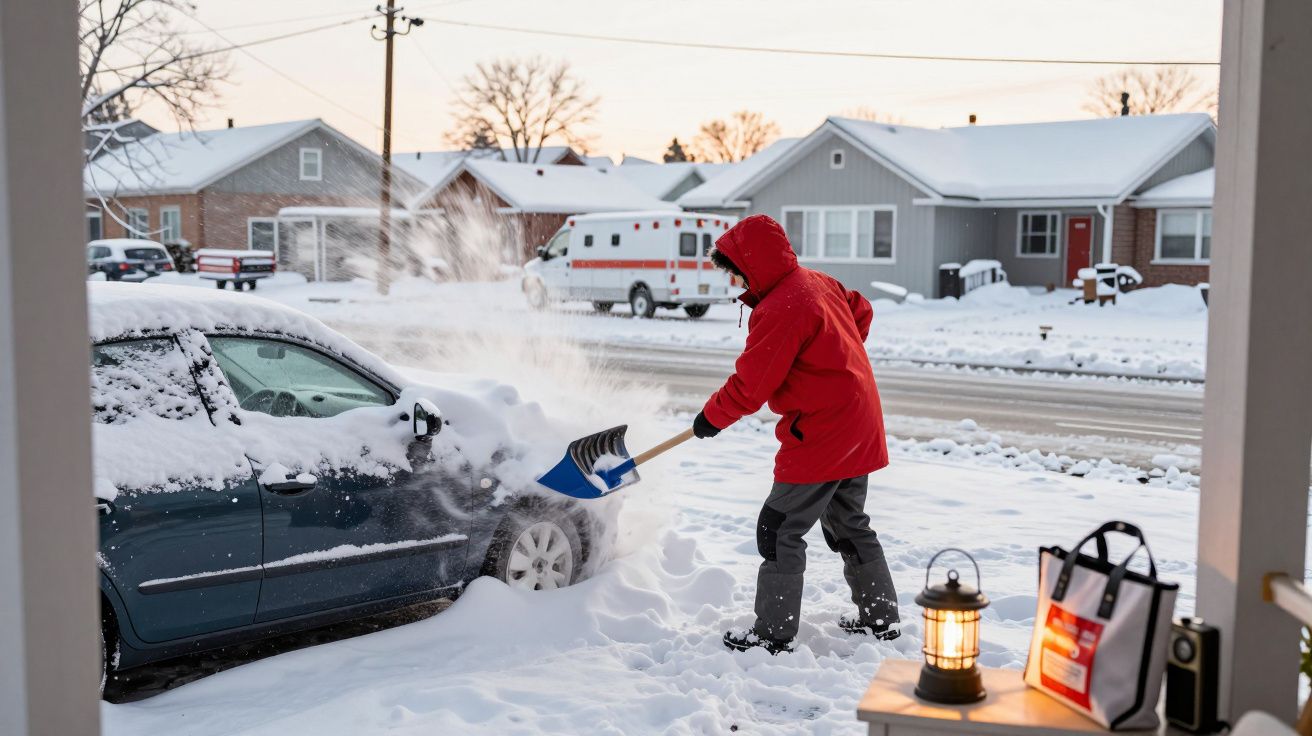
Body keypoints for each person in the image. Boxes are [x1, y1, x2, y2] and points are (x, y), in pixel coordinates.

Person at [692, 214, 899, 654]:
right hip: (859, 421)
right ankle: (881, 619)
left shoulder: (782, 307)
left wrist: (709, 419)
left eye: (735, 270)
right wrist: (830, 360)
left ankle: (773, 634)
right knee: (849, 523)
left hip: (822, 433)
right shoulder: (818, 282)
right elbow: (862, 312)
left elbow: (751, 386)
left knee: (778, 528)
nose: (734, 280)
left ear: (751, 263)